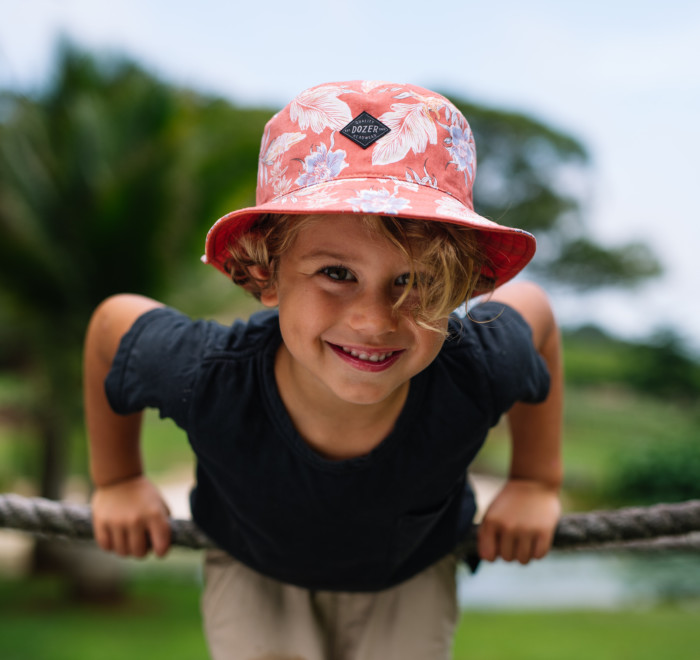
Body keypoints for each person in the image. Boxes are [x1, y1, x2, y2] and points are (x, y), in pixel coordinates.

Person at [84, 80, 563, 660]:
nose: (374, 320)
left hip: (410, 572)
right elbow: (112, 325)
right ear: (266, 273)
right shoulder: (210, 377)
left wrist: (535, 480)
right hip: (253, 563)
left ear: (461, 286)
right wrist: (118, 480)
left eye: (416, 281)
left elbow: (535, 314)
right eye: (337, 273)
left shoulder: (478, 366)